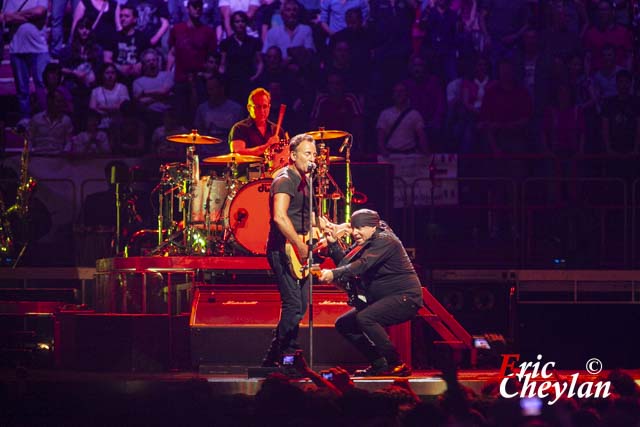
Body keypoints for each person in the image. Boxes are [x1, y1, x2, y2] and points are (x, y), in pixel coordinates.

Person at [317, 208, 423, 377]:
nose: (356, 233)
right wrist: (333, 244)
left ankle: (396, 363)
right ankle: (379, 363)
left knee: (365, 318)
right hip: (381, 298)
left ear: (373, 227)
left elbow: (362, 264)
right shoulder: (366, 241)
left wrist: (333, 274)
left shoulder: (386, 240)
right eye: (354, 228)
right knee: (344, 324)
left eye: (360, 228)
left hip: (405, 298)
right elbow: (346, 262)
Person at [260, 133, 317, 367]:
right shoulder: (285, 179)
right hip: (283, 249)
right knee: (293, 304)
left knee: (302, 304)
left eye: (314, 154)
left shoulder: (307, 181)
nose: (312, 158)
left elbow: (309, 215)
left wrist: (330, 227)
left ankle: (275, 355)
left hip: (299, 249)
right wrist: (299, 245)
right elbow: (280, 217)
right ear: (293, 155)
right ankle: (287, 354)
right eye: (307, 153)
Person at [229, 87, 286, 156]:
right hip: (248, 167)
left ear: (269, 107)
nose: (262, 111)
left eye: (265, 106)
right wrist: (267, 146)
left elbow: (284, 156)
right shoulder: (239, 128)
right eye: (258, 107)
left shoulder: (277, 130)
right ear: (249, 108)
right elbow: (238, 153)